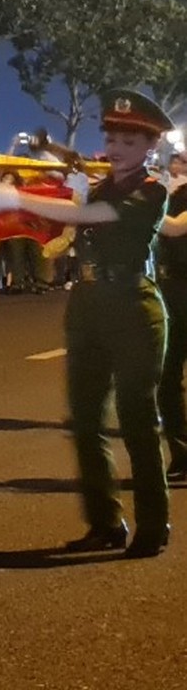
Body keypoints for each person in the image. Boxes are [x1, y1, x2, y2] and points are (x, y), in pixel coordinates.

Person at [0, 89, 173, 558]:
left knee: (137, 421)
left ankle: (154, 524)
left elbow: (92, 215)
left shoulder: (153, 189)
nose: (116, 147)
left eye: (128, 141)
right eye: (111, 138)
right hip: (88, 304)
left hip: (133, 304)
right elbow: (73, 220)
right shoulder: (101, 184)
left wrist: (14, 197)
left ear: (149, 146)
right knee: (85, 421)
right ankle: (105, 521)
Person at [159, 149, 187, 485]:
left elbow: (175, 229)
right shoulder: (172, 195)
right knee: (167, 380)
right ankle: (181, 454)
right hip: (172, 292)